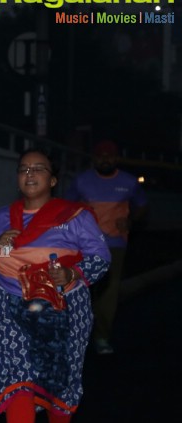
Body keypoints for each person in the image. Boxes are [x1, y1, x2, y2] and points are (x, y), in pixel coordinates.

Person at [0, 149, 109, 423]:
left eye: (38, 169)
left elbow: (101, 258)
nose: (29, 174)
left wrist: (71, 273)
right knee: (18, 375)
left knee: (59, 382)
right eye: (23, 169)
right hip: (10, 308)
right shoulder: (1, 219)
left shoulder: (72, 217)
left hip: (63, 311)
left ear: (53, 179)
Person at [64, 139, 149, 355]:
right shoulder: (81, 181)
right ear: (94, 158)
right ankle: (78, 335)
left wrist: (130, 222)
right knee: (80, 290)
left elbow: (142, 204)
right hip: (83, 246)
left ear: (116, 158)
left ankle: (102, 337)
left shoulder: (129, 182)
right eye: (100, 155)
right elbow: (66, 207)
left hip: (114, 245)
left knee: (108, 292)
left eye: (109, 155)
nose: (105, 159)